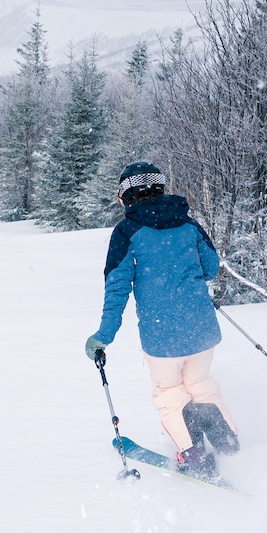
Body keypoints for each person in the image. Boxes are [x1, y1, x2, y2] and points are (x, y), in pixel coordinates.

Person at [85, 162, 238, 479]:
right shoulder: (188, 223)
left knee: (169, 393)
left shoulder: (127, 232)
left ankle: (194, 456)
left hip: (162, 334)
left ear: (127, 195)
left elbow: (117, 287)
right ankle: (229, 446)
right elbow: (210, 267)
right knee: (200, 385)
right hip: (201, 327)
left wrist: (104, 335)